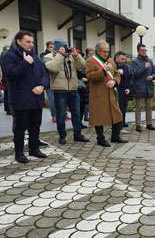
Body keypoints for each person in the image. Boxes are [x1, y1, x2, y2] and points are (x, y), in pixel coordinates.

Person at [2, 31, 49, 163]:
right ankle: (19, 153)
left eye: (32, 42)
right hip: (21, 99)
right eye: (28, 42)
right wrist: (25, 63)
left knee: (35, 126)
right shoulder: (9, 56)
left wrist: (42, 86)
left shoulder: (34, 55)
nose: (31, 44)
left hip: (36, 98)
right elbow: (10, 75)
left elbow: (44, 74)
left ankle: (34, 149)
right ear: (18, 41)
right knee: (20, 128)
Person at [44, 38, 89, 145]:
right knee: (61, 115)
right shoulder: (48, 57)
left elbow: (83, 66)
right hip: (60, 90)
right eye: (62, 47)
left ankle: (77, 135)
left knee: (76, 114)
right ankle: (62, 136)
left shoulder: (71, 56)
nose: (65, 49)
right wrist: (60, 55)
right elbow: (53, 68)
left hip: (73, 89)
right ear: (57, 48)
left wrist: (76, 56)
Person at [86, 41, 127, 147]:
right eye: (104, 52)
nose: (106, 54)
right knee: (99, 118)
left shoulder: (111, 61)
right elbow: (90, 77)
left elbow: (117, 74)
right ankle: (100, 139)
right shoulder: (91, 61)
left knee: (117, 115)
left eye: (108, 51)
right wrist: (103, 71)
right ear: (98, 51)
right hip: (98, 94)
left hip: (111, 93)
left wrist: (114, 81)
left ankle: (115, 136)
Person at [130, 44, 155, 132]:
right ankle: (138, 125)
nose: (144, 52)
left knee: (149, 106)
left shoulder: (150, 61)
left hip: (149, 87)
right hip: (139, 87)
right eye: (142, 50)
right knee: (138, 107)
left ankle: (149, 124)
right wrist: (144, 68)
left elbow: (154, 73)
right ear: (138, 51)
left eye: (145, 50)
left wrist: (152, 77)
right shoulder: (135, 62)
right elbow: (134, 74)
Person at [114, 51, 132, 132]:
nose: (123, 61)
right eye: (122, 59)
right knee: (118, 109)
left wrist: (129, 88)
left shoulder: (126, 66)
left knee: (124, 108)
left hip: (125, 90)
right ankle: (118, 126)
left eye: (124, 59)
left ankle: (123, 122)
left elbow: (130, 77)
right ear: (117, 58)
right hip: (116, 90)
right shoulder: (113, 66)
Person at [40, 41, 57, 123]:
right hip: (49, 81)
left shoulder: (56, 55)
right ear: (47, 48)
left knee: (58, 99)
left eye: (54, 47)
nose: (52, 48)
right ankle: (54, 116)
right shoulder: (44, 56)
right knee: (52, 100)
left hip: (57, 81)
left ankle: (61, 115)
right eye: (51, 47)